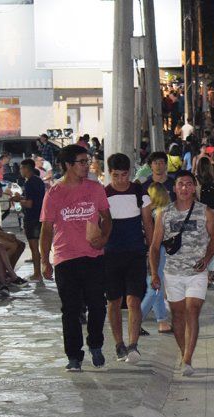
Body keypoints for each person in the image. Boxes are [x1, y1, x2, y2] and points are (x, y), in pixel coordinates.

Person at [40, 144, 112, 372]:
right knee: (70, 309)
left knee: (98, 305)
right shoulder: (54, 193)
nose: (86, 166)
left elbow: (107, 217)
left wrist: (103, 238)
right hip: (65, 258)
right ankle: (73, 355)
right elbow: (46, 230)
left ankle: (95, 344)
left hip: (93, 256)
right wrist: (45, 260)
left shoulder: (95, 188)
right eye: (82, 162)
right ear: (68, 165)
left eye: (87, 161)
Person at [150, 170, 214, 377]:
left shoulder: (205, 212)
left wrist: (206, 259)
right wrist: (154, 273)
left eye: (189, 184)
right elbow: (154, 246)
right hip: (172, 273)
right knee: (178, 315)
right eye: (181, 184)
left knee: (192, 311)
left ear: (194, 187)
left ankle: (188, 359)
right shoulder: (164, 213)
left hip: (197, 272)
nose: (184, 188)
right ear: (174, 187)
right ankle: (183, 354)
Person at [104, 153, 150, 365]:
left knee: (133, 300)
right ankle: (119, 344)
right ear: (109, 173)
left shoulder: (140, 192)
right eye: (116, 175)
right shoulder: (103, 194)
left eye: (124, 175)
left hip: (136, 254)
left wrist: (152, 252)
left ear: (130, 173)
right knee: (113, 301)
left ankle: (133, 345)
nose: (121, 180)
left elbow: (148, 224)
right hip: (110, 254)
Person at [140, 182, 173, 335]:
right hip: (159, 250)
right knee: (155, 287)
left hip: (149, 250)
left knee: (156, 286)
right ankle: (137, 320)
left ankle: (162, 321)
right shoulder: (162, 212)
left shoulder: (148, 212)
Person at [11, 159, 45, 283]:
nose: (20, 171)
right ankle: (40, 271)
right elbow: (34, 198)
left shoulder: (30, 182)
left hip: (32, 217)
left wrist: (19, 200)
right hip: (40, 216)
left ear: (26, 168)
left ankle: (37, 273)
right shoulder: (38, 181)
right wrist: (22, 198)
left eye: (21, 168)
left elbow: (30, 203)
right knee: (39, 246)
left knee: (34, 247)